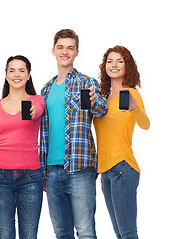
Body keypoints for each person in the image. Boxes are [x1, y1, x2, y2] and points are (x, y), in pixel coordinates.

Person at [39, 29, 108, 239]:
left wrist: (97, 102)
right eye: (61, 47)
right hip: (51, 170)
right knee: (61, 233)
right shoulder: (46, 89)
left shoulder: (87, 83)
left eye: (70, 48)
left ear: (77, 52)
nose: (65, 52)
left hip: (80, 169)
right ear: (53, 51)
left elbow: (102, 109)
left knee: (86, 232)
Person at [94, 45, 150, 239]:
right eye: (110, 61)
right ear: (105, 66)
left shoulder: (132, 95)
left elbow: (145, 124)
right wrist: (103, 176)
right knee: (119, 233)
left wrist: (135, 108)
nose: (114, 65)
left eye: (120, 61)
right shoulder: (101, 98)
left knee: (127, 233)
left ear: (128, 66)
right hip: (107, 172)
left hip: (124, 167)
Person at [0, 55, 44, 239]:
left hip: (31, 178)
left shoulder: (37, 101)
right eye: (12, 70)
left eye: (21, 70)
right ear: (6, 75)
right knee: (5, 235)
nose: (16, 74)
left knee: (29, 235)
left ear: (28, 76)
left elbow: (37, 111)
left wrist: (32, 112)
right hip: (1, 177)